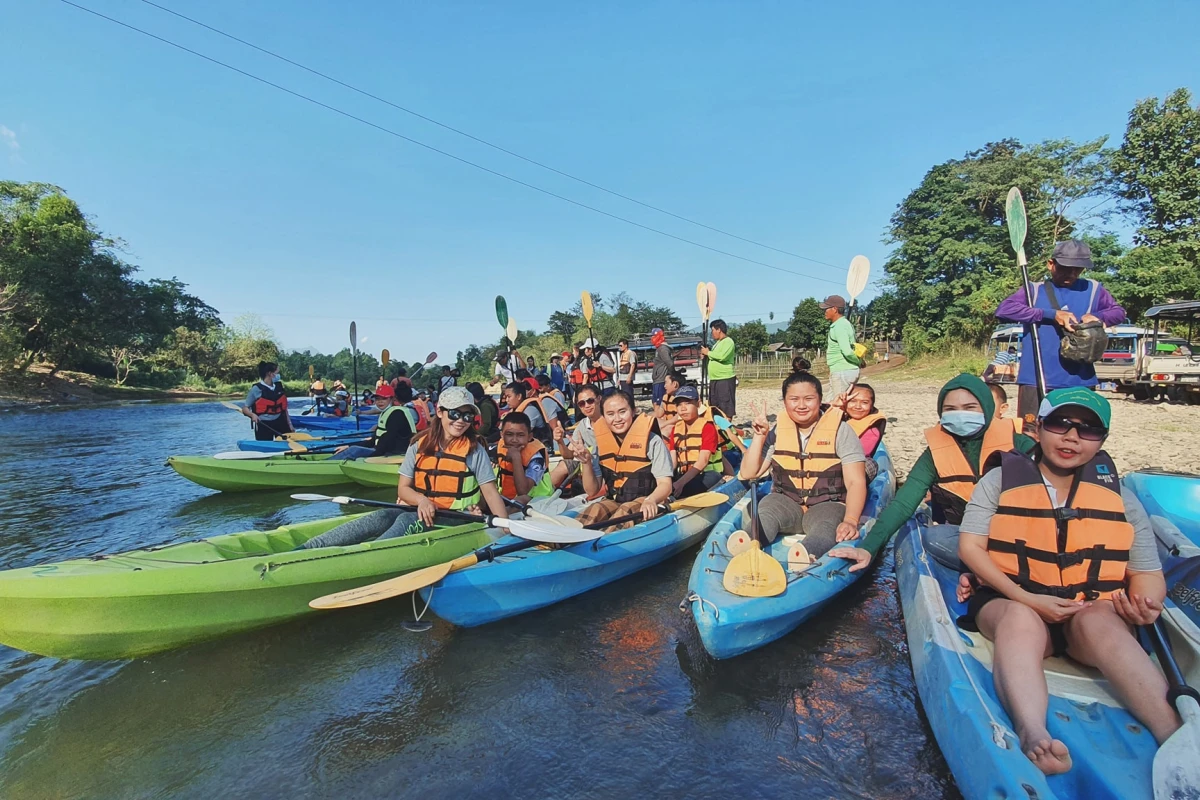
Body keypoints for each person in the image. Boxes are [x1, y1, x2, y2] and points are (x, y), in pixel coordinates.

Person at [956, 388, 1177, 775]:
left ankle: (1175, 735)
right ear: (1038, 428)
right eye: (1061, 424)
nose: (1072, 437)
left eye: (1088, 430)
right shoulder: (998, 482)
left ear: (1102, 441)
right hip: (1013, 600)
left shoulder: (1120, 498)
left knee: (1099, 620)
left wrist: (1145, 605)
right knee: (1021, 620)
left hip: (1087, 612)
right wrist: (1024, 596)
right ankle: (1033, 732)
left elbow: (1146, 573)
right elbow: (972, 547)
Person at [829, 373, 1036, 573]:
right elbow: (903, 504)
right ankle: (990, 570)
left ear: (987, 408)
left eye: (970, 407)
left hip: (1020, 538)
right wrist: (868, 548)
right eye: (950, 409)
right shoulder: (935, 454)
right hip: (972, 541)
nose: (960, 414)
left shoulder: (1020, 444)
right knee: (934, 537)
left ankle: (997, 570)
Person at [300, 386, 507, 549]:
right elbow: (403, 489)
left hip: (459, 519)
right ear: (440, 412)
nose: (461, 421)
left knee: (407, 519)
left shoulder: (474, 450)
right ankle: (309, 547)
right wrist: (422, 500)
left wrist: (506, 528)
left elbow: (490, 494)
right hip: (422, 509)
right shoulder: (419, 444)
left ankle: (368, 554)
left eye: (468, 416)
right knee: (383, 515)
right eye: (455, 414)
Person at [995, 240, 1127, 426]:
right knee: (1030, 432)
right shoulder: (1033, 290)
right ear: (1051, 264)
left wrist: (1098, 317)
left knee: (1078, 432)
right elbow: (1004, 310)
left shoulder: (1094, 289)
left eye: (1078, 269)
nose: (1072, 274)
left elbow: (1119, 312)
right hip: (1036, 377)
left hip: (1080, 379)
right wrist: (1051, 315)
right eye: (1066, 268)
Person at [738, 370, 868, 558]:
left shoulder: (841, 430)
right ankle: (746, 548)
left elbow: (855, 482)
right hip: (785, 501)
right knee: (765, 513)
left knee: (827, 526)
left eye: (808, 398)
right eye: (794, 399)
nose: (801, 405)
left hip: (827, 504)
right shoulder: (778, 431)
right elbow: (750, 473)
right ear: (784, 402)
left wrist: (850, 520)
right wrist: (759, 436)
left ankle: (806, 555)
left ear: (820, 399)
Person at [574, 391, 674, 528]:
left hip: (648, 500)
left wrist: (652, 500)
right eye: (610, 414)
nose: (617, 419)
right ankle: (562, 542)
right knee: (595, 509)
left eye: (622, 412)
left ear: (633, 411)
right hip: (616, 500)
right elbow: (592, 491)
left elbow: (665, 484)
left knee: (625, 510)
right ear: (603, 417)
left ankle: (604, 544)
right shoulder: (601, 444)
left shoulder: (652, 441)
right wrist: (586, 463)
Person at [327, 383, 417, 461]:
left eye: (384, 399)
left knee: (355, 450)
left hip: (395, 454)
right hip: (385, 451)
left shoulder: (397, 414)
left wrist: (368, 455)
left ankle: (324, 465)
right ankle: (325, 462)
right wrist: (348, 446)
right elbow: (373, 441)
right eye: (377, 399)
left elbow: (388, 440)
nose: (380, 401)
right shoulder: (387, 412)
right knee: (353, 448)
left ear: (392, 399)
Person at [668, 385, 726, 498]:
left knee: (690, 487)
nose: (683, 408)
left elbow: (703, 461)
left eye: (688, 403)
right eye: (679, 404)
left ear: (698, 404)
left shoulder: (707, 427)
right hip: (683, 474)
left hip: (706, 474)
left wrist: (680, 483)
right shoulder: (676, 428)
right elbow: (673, 461)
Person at [496, 411, 555, 502]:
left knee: (522, 499)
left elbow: (523, 491)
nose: (514, 440)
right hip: (506, 497)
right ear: (501, 435)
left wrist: (516, 458)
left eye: (520, 435)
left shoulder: (536, 457)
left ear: (529, 436)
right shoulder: (499, 447)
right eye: (509, 434)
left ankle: (501, 513)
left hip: (537, 500)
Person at [832, 382, 886, 482]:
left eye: (864, 402)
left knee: (870, 463)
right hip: (827, 463)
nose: (858, 406)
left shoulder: (872, 429)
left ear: (871, 405)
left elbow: (857, 455)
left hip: (852, 464)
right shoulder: (837, 415)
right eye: (853, 401)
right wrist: (834, 407)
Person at [821, 294, 863, 399]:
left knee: (838, 406)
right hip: (839, 370)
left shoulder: (840, 326)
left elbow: (847, 351)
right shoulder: (841, 324)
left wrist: (859, 361)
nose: (824, 311)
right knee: (828, 404)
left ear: (834, 309)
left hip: (843, 371)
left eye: (826, 308)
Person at [242, 361, 295, 441]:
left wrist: (290, 424)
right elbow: (245, 408)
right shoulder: (256, 389)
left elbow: (284, 409)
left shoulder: (279, 387)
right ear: (270, 374)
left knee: (287, 442)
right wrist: (252, 415)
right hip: (264, 423)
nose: (278, 375)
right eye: (277, 372)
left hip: (280, 421)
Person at [702, 319, 737, 417]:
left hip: (724, 379)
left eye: (713, 330)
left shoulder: (728, 341)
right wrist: (706, 356)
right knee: (714, 405)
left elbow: (722, 356)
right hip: (715, 379)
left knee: (725, 406)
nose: (712, 333)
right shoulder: (716, 344)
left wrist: (708, 353)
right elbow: (713, 357)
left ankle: (727, 428)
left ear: (719, 330)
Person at [501, 380, 551, 445]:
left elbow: (521, 433)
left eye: (509, 397)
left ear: (519, 396)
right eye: (506, 397)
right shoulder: (513, 411)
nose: (507, 400)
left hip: (537, 446)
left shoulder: (530, 410)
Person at [650, 328, 673, 415]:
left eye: (654, 336)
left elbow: (669, 363)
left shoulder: (663, 349)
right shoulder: (659, 348)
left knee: (659, 403)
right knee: (655, 402)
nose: (652, 338)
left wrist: (672, 374)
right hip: (657, 379)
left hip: (661, 379)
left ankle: (661, 421)